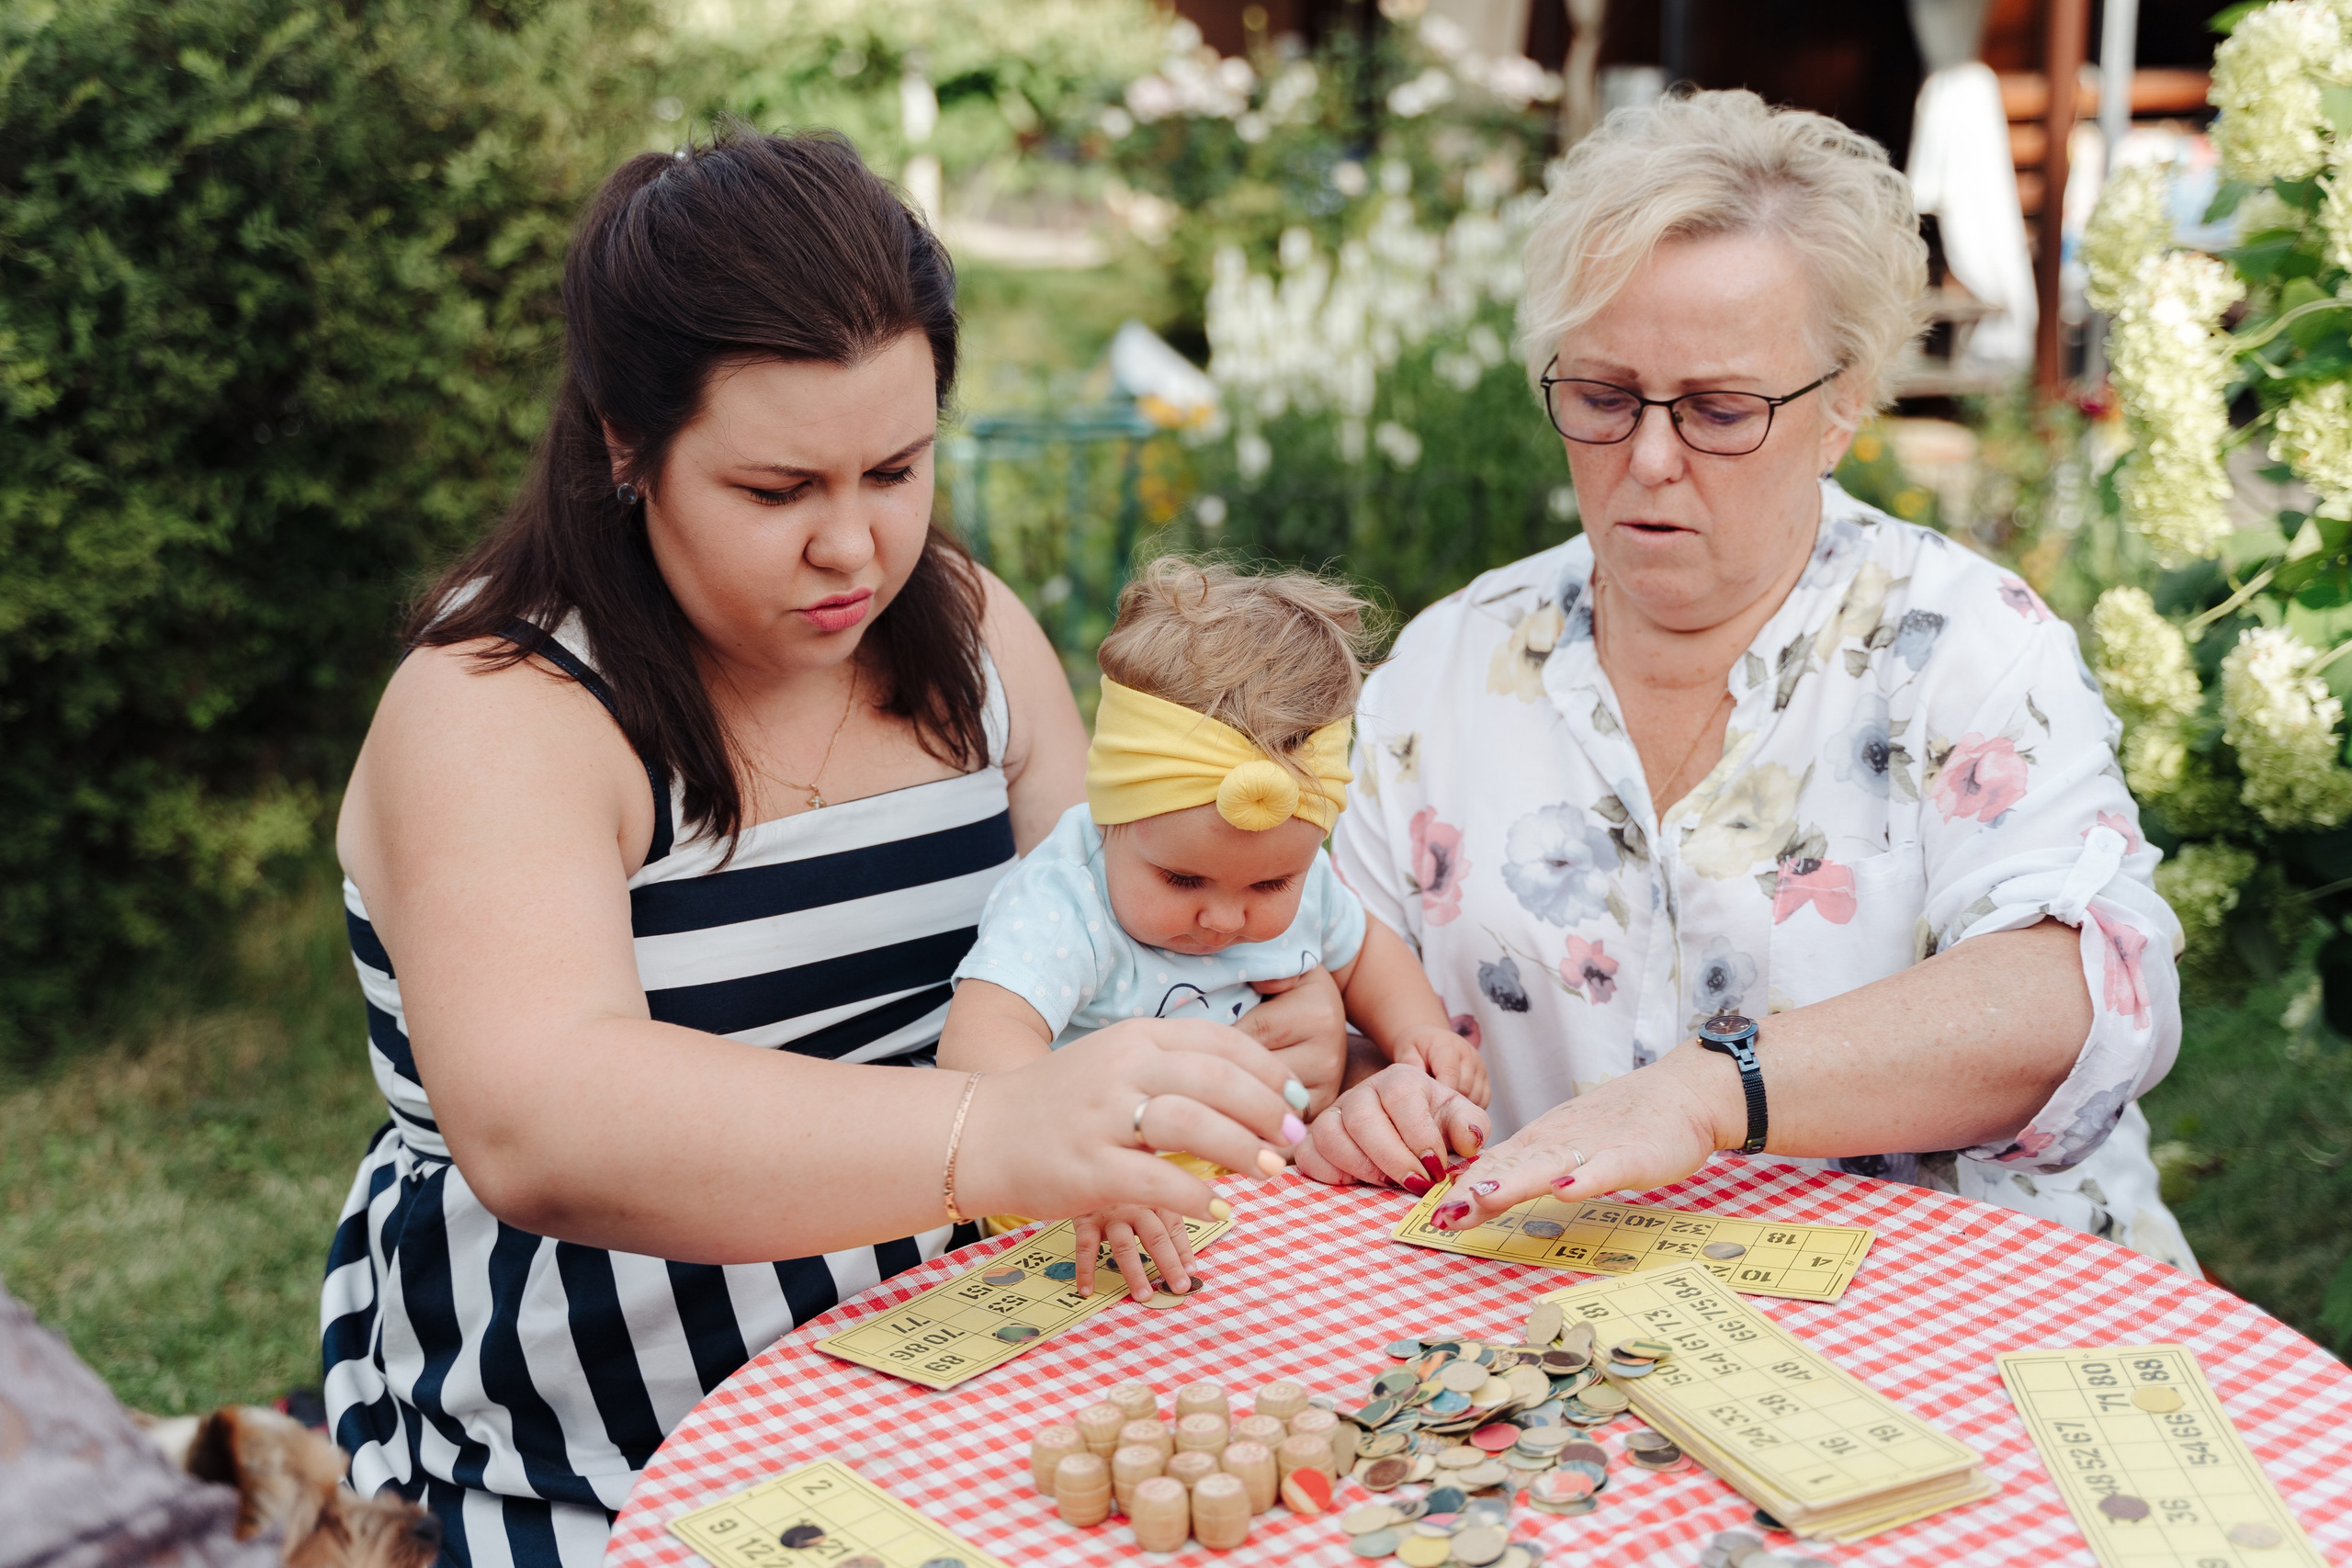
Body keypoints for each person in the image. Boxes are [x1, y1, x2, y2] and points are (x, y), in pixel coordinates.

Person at [322, 127, 1338, 1568]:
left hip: (980, 1379)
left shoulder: (974, 639)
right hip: (609, 1436)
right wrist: (988, 1133)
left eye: (898, 468)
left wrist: (1241, 1023)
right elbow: (543, 1118)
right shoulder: (503, 706)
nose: (856, 549)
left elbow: (1109, 948)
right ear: (625, 440)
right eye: (778, 491)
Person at [1300, 89, 2197, 1274]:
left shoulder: (1965, 645)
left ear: (1841, 406)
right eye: (1603, 399)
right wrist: (1366, 1102)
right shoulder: (1448, 669)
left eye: (1720, 410)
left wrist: (1714, 1090)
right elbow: (1326, 997)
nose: (1651, 459)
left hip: (1965, 1319)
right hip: (1584, 1348)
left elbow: (2083, 1001)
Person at [938, 561, 1488, 1301]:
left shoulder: (1297, 869)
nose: (1226, 918)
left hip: (1249, 1207)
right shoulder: (1065, 903)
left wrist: (1419, 1035)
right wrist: (1076, 1160)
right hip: (1078, 1224)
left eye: (1269, 886)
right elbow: (978, 1040)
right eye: (1183, 881)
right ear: (1111, 818)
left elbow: (1365, 953)